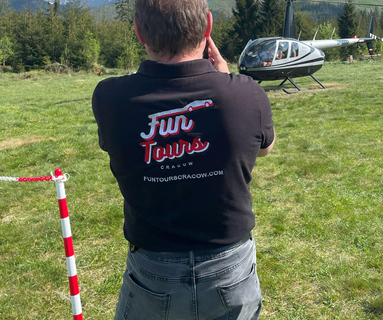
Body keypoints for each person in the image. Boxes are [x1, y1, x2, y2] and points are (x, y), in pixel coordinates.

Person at [91, 0, 275, 319]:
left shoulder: (110, 98)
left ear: (138, 31)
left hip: (153, 269)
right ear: (207, 26)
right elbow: (264, 148)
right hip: (230, 266)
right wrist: (226, 82)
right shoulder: (246, 94)